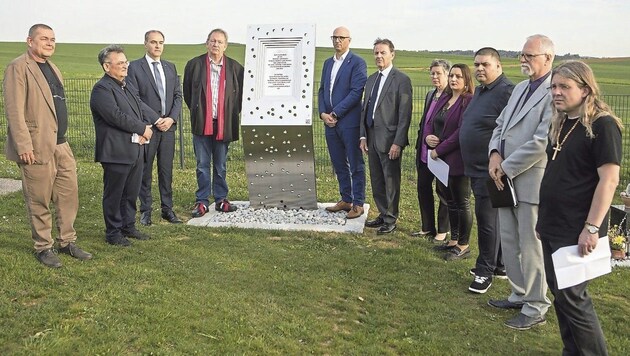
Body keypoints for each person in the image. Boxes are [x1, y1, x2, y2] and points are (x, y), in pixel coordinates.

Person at [537, 60, 621, 355]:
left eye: (564, 87)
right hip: (552, 223)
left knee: (574, 298)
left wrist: (592, 227)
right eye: (554, 87)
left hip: (577, 228)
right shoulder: (562, 121)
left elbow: (609, 180)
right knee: (561, 297)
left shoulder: (603, 124)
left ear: (585, 89)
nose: (556, 92)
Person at [3, 24, 92, 267]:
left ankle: (67, 241)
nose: (50, 43)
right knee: (39, 198)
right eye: (44, 38)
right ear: (29, 41)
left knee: (68, 195)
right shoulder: (18, 67)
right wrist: (23, 145)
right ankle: (43, 246)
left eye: (53, 39)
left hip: (61, 144)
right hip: (35, 145)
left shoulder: (53, 68)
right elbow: (14, 110)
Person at [487, 34, 555, 330]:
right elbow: (500, 124)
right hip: (503, 179)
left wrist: (507, 167)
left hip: (529, 181)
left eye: (530, 55)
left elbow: (542, 141)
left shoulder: (555, 92)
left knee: (531, 246)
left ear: (548, 58)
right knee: (510, 240)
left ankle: (537, 304)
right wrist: (493, 155)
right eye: (522, 55)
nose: (523, 60)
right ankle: (519, 293)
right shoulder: (520, 89)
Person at [460, 47, 514, 294]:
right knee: (493, 219)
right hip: (475, 167)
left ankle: (484, 271)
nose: (479, 68)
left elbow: (510, 131)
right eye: (476, 64)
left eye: (485, 64)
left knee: (487, 221)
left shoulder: (507, 92)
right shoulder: (481, 90)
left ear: (498, 66)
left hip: (491, 169)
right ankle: (500, 265)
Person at [90, 45, 155, 246]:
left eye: (125, 62)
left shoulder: (125, 86)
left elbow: (138, 111)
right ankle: (113, 232)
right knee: (115, 194)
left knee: (130, 192)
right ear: (106, 67)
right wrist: (142, 129)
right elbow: (115, 117)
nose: (125, 66)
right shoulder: (102, 89)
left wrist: (146, 128)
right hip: (116, 152)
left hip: (134, 149)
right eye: (119, 63)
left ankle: (128, 226)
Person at [183, 28, 244, 217]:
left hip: (223, 124)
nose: (216, 44)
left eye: (219, 42)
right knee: (202, 164)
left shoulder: (235, 67)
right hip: (202, 122)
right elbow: (187, 93)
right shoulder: (194, 65)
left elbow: (240, 96)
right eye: (212, 41)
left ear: (225, 45)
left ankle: (221, 199)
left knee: (220, 165)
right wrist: (198, 111)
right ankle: (201, 201)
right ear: (207, 43)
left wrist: (231, 113)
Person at [127, 30, 183, 226]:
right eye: (153, 42)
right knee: (145, 170)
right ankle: (146, 211)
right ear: (145, 44)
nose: (157, 46)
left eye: (160, 42)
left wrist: (171, 119)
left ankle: (167, 210)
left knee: (166, 171)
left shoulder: (170, 67)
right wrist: (157, 119)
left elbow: (177, 96)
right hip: (149, 128)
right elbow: (135, 98)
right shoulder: (134, 67)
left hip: (168, 129)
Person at [359, 38, 412, 234]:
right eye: (376, 53)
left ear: (392, 54)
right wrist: (363, 136)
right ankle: (382, 213)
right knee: (377, 179)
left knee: (391, 180)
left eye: (383, 52)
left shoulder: (401, 80)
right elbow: (365, 110)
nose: (379, 56)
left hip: (390, 140)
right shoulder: (371, 79)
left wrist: (398, 142)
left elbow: (404, 115)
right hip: (371, 137)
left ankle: (391, 218)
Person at [424, 64, 474, 260]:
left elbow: (460, 132)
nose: (453, 80)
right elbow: (430, 122)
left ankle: (463, 245)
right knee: (450, 201)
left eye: (458, 76)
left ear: (466, 79)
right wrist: (428, 138)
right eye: (451, 76)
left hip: (458, 159)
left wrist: (439, 149)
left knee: (462, 202)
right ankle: (453, 240)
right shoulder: (445, 98)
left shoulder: (467, 101)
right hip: (442, 161)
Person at [318, 26, 367, 219]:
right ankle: (346, 198)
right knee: (338, 163)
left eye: (341, 38)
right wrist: (323, 113)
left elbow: (357, 92)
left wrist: (336, 113)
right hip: (329, 123)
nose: (337, 41)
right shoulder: (328, 63)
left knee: (355, 164)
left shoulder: (357, 63)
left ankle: (358, 203)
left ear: (349, 40)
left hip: (349, 122)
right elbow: (322, 90)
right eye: (334, 37)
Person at [413, 59, 451, 242]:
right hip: (424, 152)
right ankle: (427, 227)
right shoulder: (430, 95)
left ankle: (443, 230)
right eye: (432, 73)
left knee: (443, 192)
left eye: (439, 73)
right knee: (423, 188)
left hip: (442, 153)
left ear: (447, 75)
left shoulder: (453, 97)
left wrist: (439, 141)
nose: (435, 77)